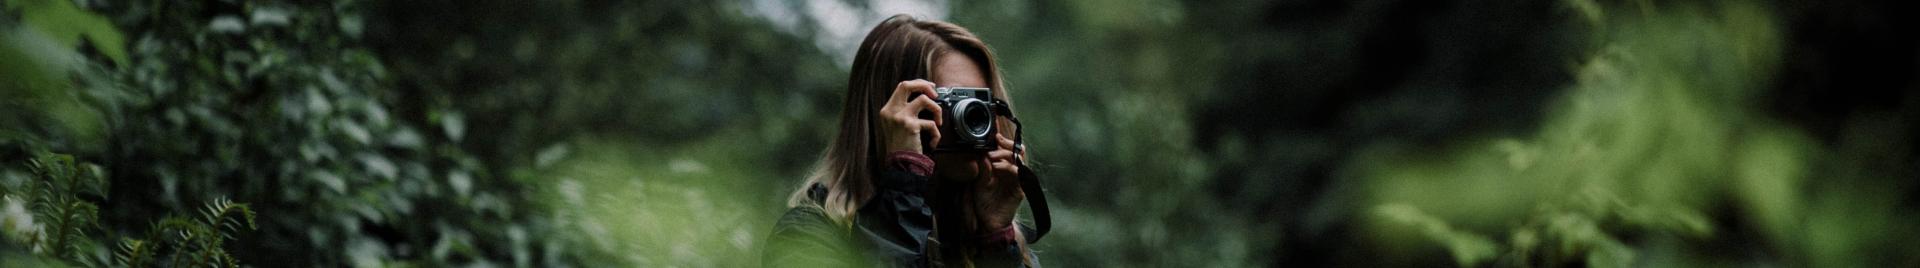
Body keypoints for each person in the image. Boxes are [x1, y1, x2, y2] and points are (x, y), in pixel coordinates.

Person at [763, 14, 1041, 267]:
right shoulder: (808, 235)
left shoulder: (998, 246)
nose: (973, 122)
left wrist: (996, 247)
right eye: (953, 102)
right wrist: (904, 181)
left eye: (979, 104)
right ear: (888, 117)